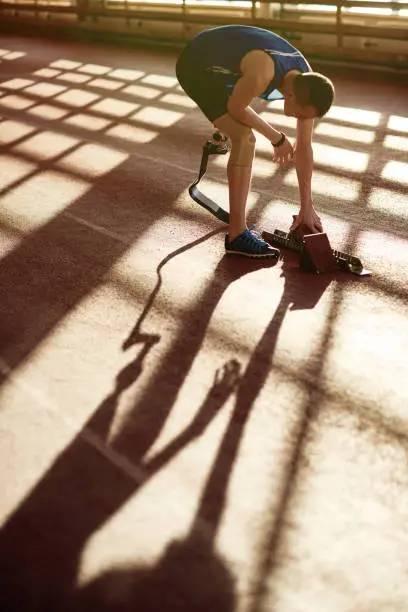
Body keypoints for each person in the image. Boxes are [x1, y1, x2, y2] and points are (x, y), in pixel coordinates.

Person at [176, 25, 335, 258]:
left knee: (244, 134)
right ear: (290, 96)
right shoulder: (262, 72)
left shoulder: (306, 81)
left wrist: (306, 206)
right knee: (244, 137)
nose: (300, 120)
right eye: (300, 114)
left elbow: (304, 147)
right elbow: (236, 108)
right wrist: (277, 138)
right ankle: (237, 235)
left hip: (227, 70)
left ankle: (238, 232)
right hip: (197, 65)